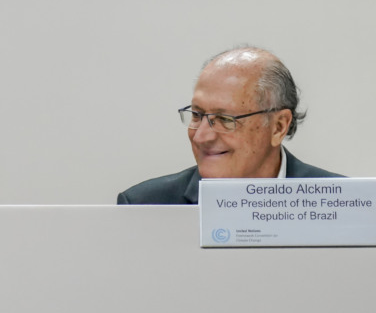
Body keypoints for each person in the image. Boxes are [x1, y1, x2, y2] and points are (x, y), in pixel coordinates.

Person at [117, 46, 341, 204]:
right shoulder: (145, 206)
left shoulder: (339, 203)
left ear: (278, 127)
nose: (201, 136)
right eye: (197, 115)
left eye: (225, 120)